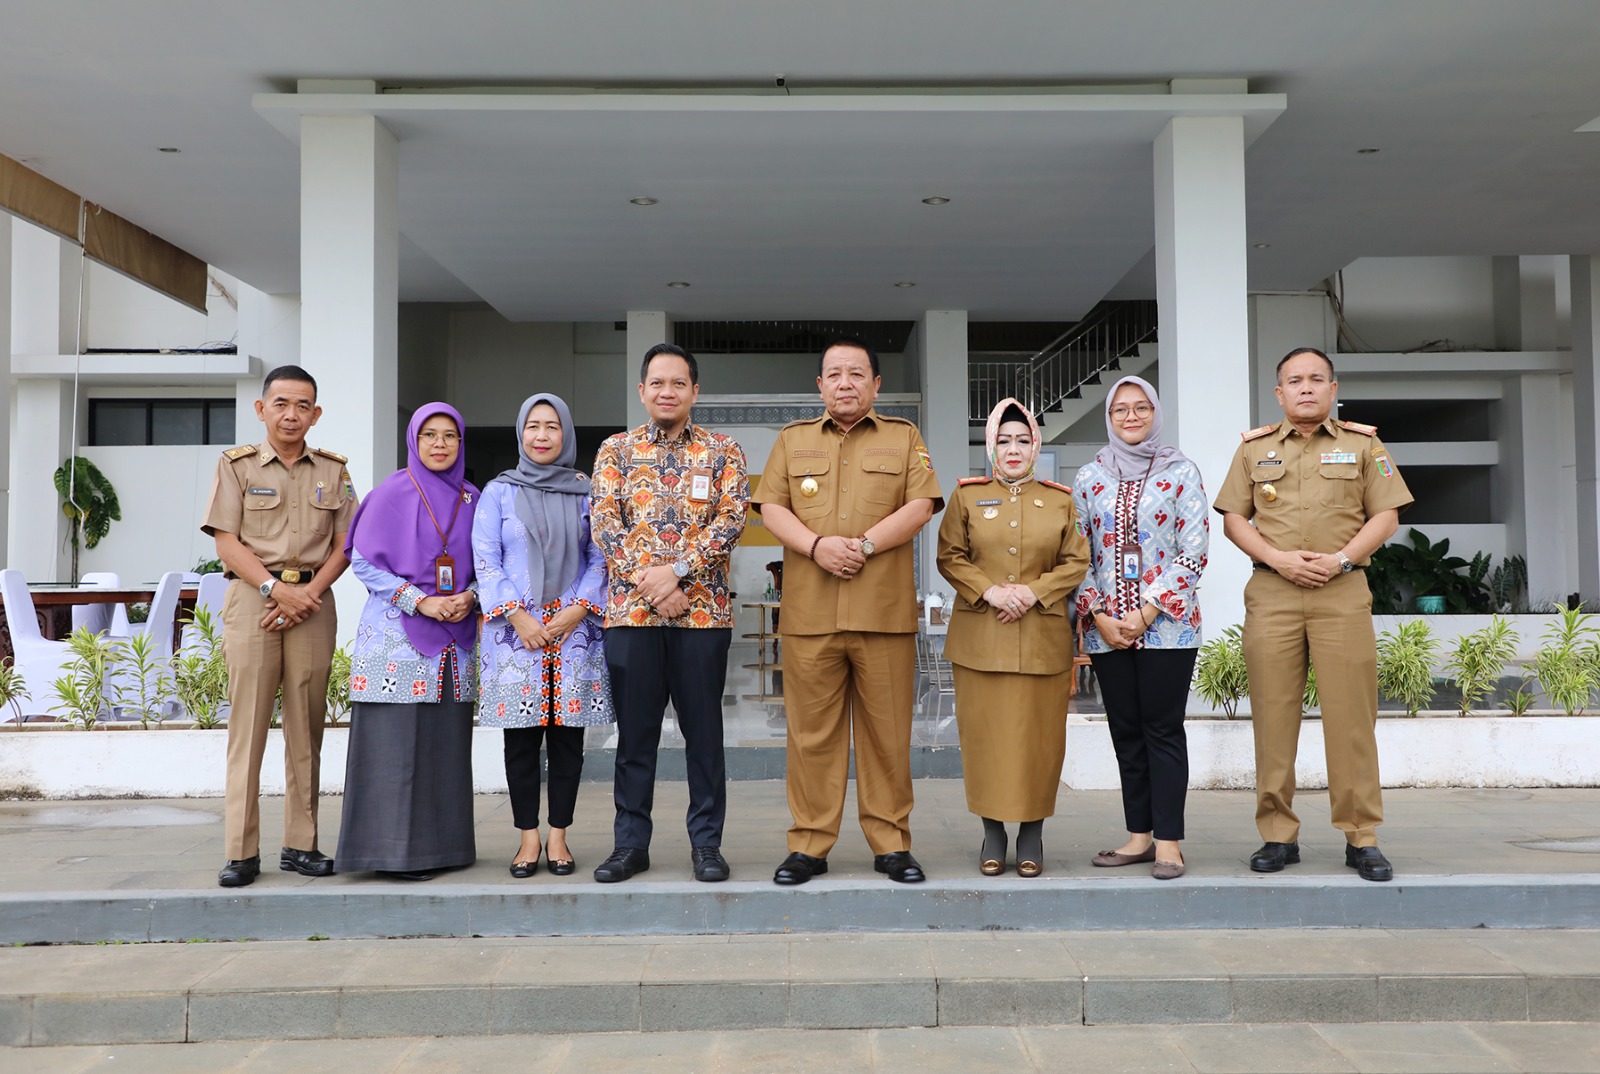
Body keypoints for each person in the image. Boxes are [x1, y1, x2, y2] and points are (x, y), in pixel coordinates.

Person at [1214, 347, 1413, 882]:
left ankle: (1361, 837)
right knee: (1273, 718)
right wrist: (1277, 558)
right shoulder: (1253, 449)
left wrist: (1341, 559)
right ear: (1279, 393)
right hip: (1273, 592)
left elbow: (1387, 515)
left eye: (1316, 379)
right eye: (1295, 380)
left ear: (1333, 389)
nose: (1306, 387)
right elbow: (1234, 518)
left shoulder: (1364, 445)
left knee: (1352, 720)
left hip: (1341, 592)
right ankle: (1277, 835)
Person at [754, 337, 944, 885]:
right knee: (810, 736)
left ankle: (892, 845)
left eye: (856, 373)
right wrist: (816, 547)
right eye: (834, 374)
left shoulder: (904, 437)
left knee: (888, 735)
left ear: (876, 384)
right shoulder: (791, 440)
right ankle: (809, 845)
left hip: (882, 613)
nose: (845, 383)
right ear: (820, 385)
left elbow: (920, 506)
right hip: (810, 616)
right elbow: (770, 507)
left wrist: (863, 545)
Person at [589, 344, 750, 883]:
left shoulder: (723, 451)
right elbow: (605, 524)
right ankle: (630, 846)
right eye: (657, 383)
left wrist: (678, 572)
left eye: (678, 383)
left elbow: (731, 520)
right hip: (633, 618)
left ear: (695, 391)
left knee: (704, 737)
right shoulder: (615, 450)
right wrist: (656, 587)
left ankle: (707, 845)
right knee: (635, 739)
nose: (667, 392)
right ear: (642, 391)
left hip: (702, 618)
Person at [201, 365, 356, 887]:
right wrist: (275, 589)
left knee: (306, 727)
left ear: (316, 414)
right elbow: (226, 542)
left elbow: (346, 544)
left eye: (302, 406)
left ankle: (301, 843)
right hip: (254, 601)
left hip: (312, 603)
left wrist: (305, 595)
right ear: (261, 408)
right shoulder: (236, 466)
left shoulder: (334, 470)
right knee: (247, 727)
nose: (292, 415)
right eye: (282, 404)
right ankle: (241, 852)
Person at [936, 398, 1088, 878]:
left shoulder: (1060, 501)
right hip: (980, 639)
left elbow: (1076, 561)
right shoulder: (966, 497)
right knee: (985, 740)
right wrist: (992, 592)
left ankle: (1032, 834)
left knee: (1039, 741)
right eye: (1004, 441)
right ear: (991, 447)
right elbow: (950, 556)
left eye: (1023, 440)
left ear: (1036, 446)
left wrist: (1030, 592)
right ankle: (993, 832)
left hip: (1042, 639)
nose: (1014, 449)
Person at [1073, 377, 1209, 881]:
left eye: (1140, 407)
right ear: (1109, 417)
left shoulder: (1181, 470)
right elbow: (1076, 553)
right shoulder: (1089, 476)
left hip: (1169, 630)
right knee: (1126, 732)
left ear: (1155, 412)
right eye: (1120, 410)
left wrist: (1148, 611)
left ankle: (1169, 843)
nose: (1131, 417)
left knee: (1162, 731)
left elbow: (1194, 550)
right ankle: (1139, 837)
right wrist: (1100, 615)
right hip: (1106, 630)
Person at [337, 403, 480, 881]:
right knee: (393, 750)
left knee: (445, 746)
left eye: (450, 436)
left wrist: (470, 596)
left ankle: (445, 849)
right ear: (414, 441)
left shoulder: (472, 499)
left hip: (454, 639)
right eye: (429, 435)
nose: (440, 444)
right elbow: (362, 562)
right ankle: (390, 855)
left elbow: (490, 561)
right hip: (396, 639)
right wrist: (419, 601)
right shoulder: (390, 493)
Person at [474, 393, 614, 878]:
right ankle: (527, 838)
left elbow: (601, 556)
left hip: (573, 635)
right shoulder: (498, 492)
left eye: (552, 426)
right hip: (516, 636)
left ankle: (558, 836)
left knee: (568, 742)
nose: (541, 435)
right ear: (520, 433)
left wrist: (577, 609)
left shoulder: (586, 491)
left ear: (566, 434)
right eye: (533, 426)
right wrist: (518, 617)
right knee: (520, 742)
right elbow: (485, 559)